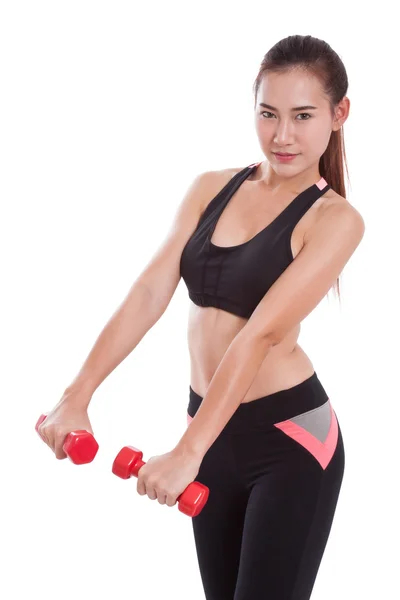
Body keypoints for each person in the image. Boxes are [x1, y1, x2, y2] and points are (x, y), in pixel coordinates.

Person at [37, 34, 365, 600]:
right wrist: (77, 395)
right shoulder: (211, 188)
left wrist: (189, 453)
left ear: (339, 114)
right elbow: (148, 293)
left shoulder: (336, 220)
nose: (282, 135)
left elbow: (259, 335)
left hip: (288, 441)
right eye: (268, 114)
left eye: (302, 116)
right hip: (209, 427)